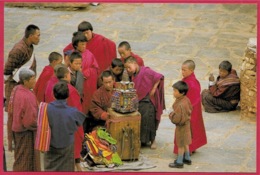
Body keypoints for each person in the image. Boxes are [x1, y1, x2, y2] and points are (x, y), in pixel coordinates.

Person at [124, 56, 165, 149]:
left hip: (149, 100)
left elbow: (159, 76)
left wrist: (154, 88)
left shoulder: (146, 71)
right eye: (126, 68)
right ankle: (142, 140)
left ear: (135, 64)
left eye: (129, 67)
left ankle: (152, 140)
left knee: (150, 120)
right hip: (140, 101)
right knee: (140, 120)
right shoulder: (134, 75)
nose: (128, 70)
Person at [44, 81, 85, 171]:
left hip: (51, 145)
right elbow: (80, 122)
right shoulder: (73, 112)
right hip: (67, 146)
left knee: (50, 168)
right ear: (67, 95)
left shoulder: (45, 108)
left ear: (53, 95)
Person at [7, 68, 40, 171]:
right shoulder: (27, 96)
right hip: (26, 133)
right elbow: (29, 121)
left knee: (20, 157)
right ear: (25, 81)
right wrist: (39, 125)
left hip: (16, 131)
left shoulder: (16, 89)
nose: (35, 81)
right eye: (33, 79)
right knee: (25, 161)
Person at [173, 60, 207, 154]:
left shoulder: (192, 83)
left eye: (184, 70)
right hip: (191, 110)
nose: (182, 72)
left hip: (190, 111)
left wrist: (181, 109)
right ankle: (192, 148)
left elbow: (192, 99)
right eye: (182, 70)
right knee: (191, 130)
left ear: (191, 70)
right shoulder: (189, 80)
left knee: (187, 131)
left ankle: (187, 152)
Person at [4, 24, 40, 111]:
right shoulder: (18, 50)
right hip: (15, 86)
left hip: (24, 85)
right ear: (31, 36)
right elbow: (7, 70)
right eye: (38, 35)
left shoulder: (30, 47)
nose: (39, 38)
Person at [70, 31, 99, 114]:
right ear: (76, 45)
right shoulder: (71, 55)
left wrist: (86, 72)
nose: (84, 46)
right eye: (81, 44)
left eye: (85, 44)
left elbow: (96, 68)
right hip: (76, 84)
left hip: (87, 85)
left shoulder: (90, 54)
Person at [168, 81, 192, 168]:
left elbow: (177, 119)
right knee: (186, 142)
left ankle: (179, 162)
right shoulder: (186, 99)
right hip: (187, 124)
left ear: (182, 93)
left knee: (181, 144)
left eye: (175, 91)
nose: (173, 93)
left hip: (181, 127)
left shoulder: (180, 105)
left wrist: (171, 115)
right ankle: (187, 158)